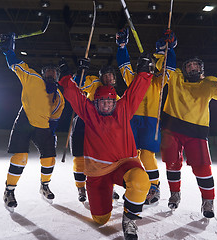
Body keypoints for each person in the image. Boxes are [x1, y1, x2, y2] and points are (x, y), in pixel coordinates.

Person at [58, 52, 154, 240]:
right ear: (96, 103)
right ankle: (106, 191)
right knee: (100, 219)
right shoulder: (89, 112)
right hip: (98, 173)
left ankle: (129, 219)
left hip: (124, 165)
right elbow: (73, 93)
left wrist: (144, 70)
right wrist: (65, 76)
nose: (106, 106)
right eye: (102, 103)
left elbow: (136, 91)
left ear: (115, 102)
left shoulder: (123, 109)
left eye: (110, 102)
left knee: (141, 180)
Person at [156, 30, 217, 218]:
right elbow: (163, 67)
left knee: (203, 167)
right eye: (190, 65)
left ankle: (208, 201)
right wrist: (164, 50)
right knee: (172, 163)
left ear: (201, 68)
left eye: (196, 65)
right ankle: (175, 194)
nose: (193, 68)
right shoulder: (176, 76)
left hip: (196, 132)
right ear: (184, 68)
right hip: (171, 128)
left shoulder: (209, 83)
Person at [0, 33, 65, 211]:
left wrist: (52, 133)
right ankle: (9, 191)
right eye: (48, 72)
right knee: (20, 158)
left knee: (50, 158)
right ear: (43, 74)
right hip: (25, 121)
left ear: (58, 77)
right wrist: (8, 51)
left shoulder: (59, 98)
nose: (51, 74)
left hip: (43, 128)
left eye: (54, 72)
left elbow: (54, 120)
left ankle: (44, 186)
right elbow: (15, 64)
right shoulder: (33, 78)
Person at [115, 28, 177, 205]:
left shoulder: (158, 81)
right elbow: (123, 64)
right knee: (130, 156)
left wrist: (169, 49)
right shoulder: (133, 79)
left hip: (150, 121)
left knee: (147, 156)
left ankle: (154, 187)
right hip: (132, 121)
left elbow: (169, 67)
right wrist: (121, 46)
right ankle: (134, 184)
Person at [70, 61, 121, 202]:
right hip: (83, 124)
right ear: (101, 77)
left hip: (100, 131)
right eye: (105, 76)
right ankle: (81, 188)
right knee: (80, 158)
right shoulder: (94, 84)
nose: (109, 78)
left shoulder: (116, 97)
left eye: (111, 75)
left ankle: (110, 187)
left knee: (106, 159)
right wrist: (82, 72)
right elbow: (79, 85)